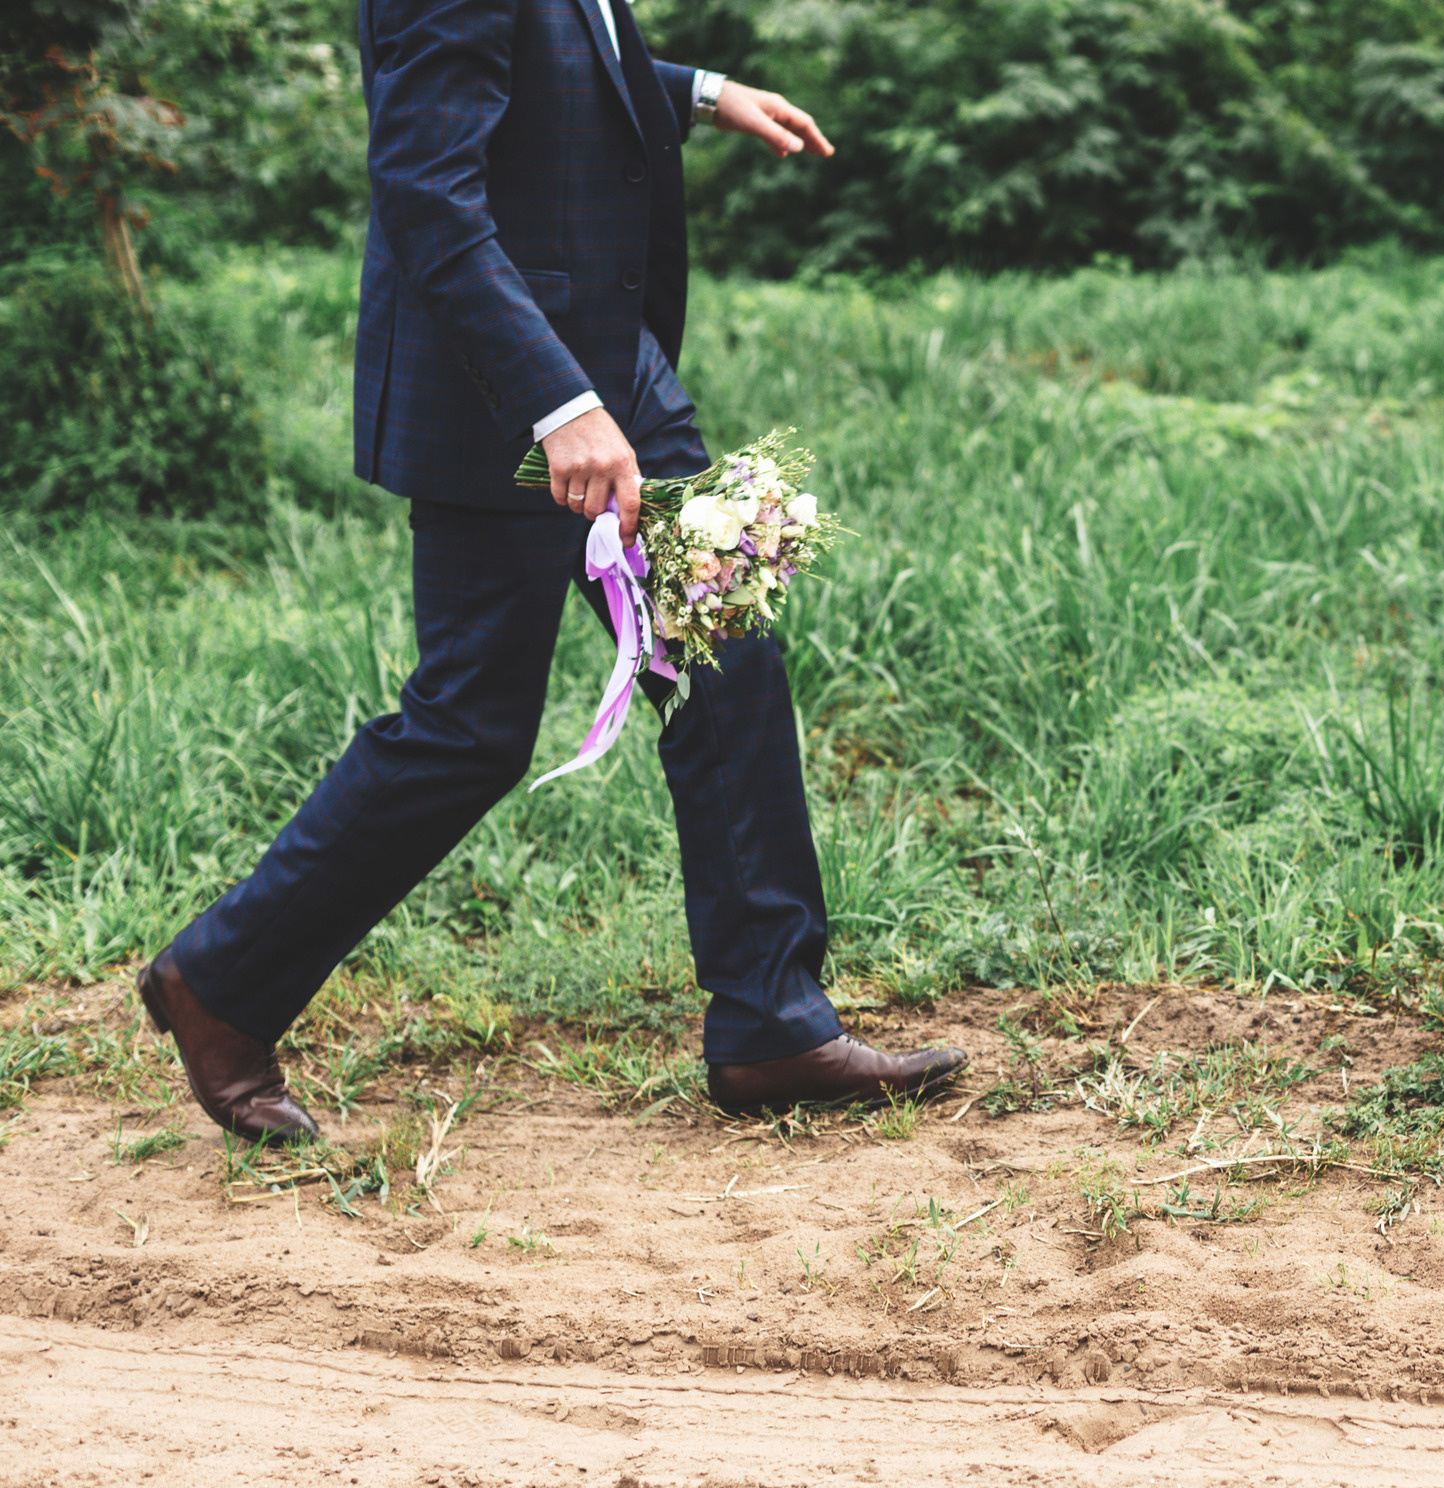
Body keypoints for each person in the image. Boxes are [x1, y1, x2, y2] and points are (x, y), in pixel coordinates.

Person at [137, 0, 965, 1141]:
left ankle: (773, 1022)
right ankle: (218, 985)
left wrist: (699, 92)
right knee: (468, 725)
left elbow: (561, 58)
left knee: (721, 650)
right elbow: (428, 189)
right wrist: (557, 404)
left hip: (608, 366)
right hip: (516, 397)